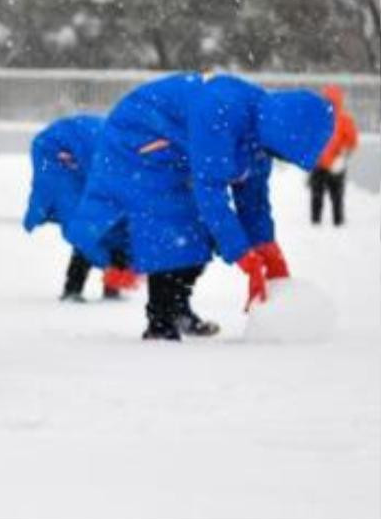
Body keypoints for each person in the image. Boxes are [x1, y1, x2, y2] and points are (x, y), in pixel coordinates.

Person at [65, 72, 334, 341]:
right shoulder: (221, 110)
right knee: (171, 228)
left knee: (200, 233)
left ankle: (179, 308)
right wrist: (243, 255)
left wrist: (267, 248)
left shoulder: (260, 138)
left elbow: (253, 201)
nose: (278, 158)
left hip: (175, 152)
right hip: (138, 141)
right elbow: (211, 192)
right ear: (281, 132)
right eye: (282, 153)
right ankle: (160, 323)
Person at [23, 115, 137, 303]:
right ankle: (76, 288)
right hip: (85, 182)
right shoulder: (104, 146)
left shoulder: (118, 148)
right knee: (91, 235)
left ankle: (109, 285)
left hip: (96, 185)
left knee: (114, 234)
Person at [309, 85, 358, 226]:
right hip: (319, 164)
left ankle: (338, 222)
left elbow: (351, 141)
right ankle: (316, 222)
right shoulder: (317, 119)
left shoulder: (344, 120)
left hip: (336, 165)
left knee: (336, 197)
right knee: (318, 196)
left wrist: (342, 156)